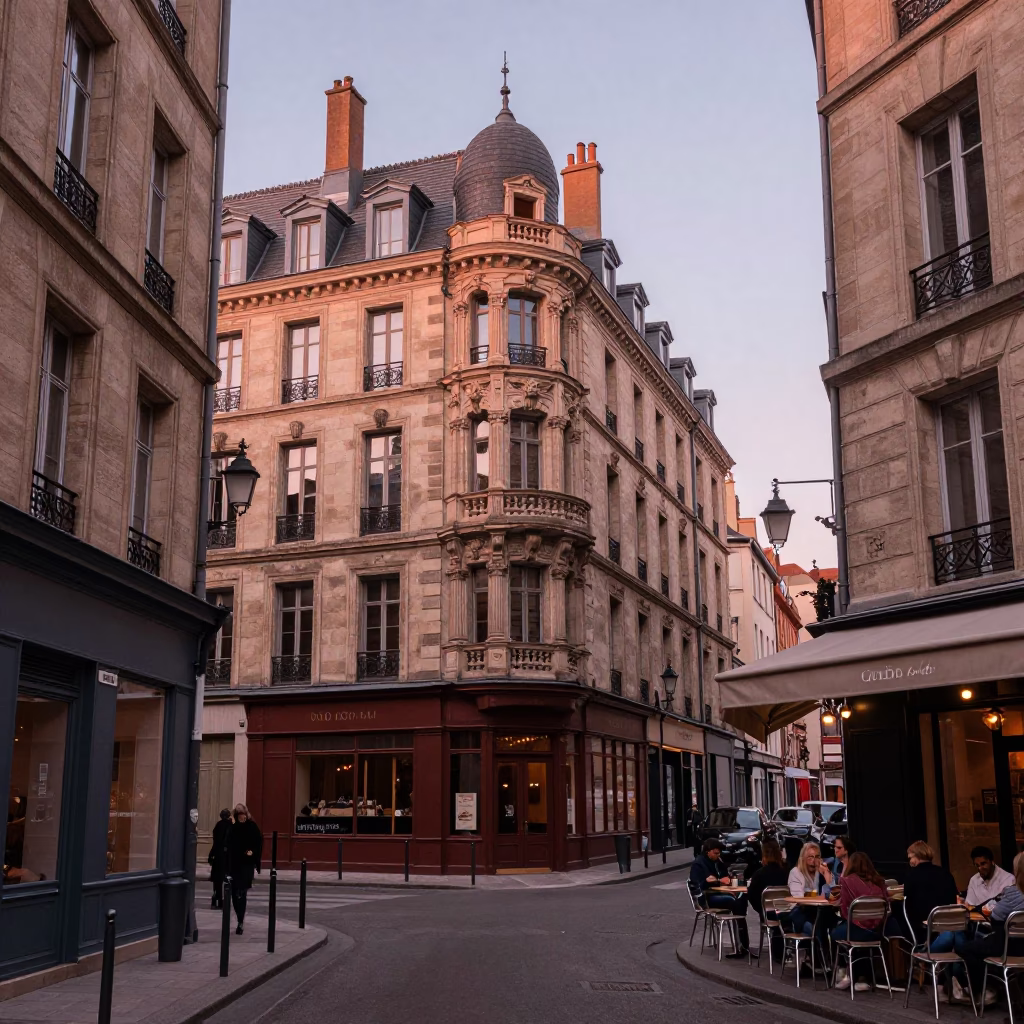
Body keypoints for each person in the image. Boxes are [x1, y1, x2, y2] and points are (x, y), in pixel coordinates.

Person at [956, 850, 1024, 1007]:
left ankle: (981, 991)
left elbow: (996, 917)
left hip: (1011, 947)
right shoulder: (976, 880)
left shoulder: (1013, 894)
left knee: (966, 948)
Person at [832, 851, 889, 992]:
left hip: (857, 930)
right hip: (877, 932)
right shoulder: (879, 881)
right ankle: (861, 977)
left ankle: (846, 972)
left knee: (835, 932)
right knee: (856, 933)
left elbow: (845, 912)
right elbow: (887, 905)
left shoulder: (846, 881)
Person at [690, 838, 750, 958]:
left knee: (741, 898)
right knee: (733, 902)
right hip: (707, 899)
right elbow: (696, 885)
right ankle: (741, 944)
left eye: (719, 853)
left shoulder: (717, 861)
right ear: (708, 851)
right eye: (716, 853)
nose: (718, 855)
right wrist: (712, 881)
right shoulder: (699, 864)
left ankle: (742, 943)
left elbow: (724, 875)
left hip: (717, 894)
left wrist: (726, 878)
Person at [903, 840, 958, 945]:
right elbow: (953, 900)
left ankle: (919, 953)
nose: (909, 861)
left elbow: (909, 906)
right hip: (948, 923)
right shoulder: (945, 873)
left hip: (924, 926)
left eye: (910, 858)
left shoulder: (911, 876)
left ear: (917, 857)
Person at [747, 839, 789, 961]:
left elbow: (752, 895)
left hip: (767, 914)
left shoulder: (759, 874)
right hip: (786, 912)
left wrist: (761, 909)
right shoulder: (787, 872)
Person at [225, 803, 262, 935]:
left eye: (243, 815)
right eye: (239, 815)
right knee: (235, 893)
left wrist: (252, 853)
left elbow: (258, 843)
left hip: (246, 865)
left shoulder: (252, 827)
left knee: (242, 891)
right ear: (236, 816)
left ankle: (240, 920)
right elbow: (227, 847)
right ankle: (239, 917)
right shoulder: (232, 829)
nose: (242, 818)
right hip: (235, 865)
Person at [786, 842, 832, 936]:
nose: (814, 861)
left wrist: (828, 878)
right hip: (802, 914)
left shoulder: (820, 872)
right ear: (803, 859)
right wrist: (817, 895)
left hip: (820, 913)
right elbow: (799, 897)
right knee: (818, 931)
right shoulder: (795, 873)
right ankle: (822, 950)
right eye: (810, 857)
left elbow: (834, 893)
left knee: (832, 928)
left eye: (817, 857)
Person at [965, 846, 1014, 910]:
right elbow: (970, 906)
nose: (980, 868)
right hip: (979, 919)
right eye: (977, 865)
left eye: (983, 864)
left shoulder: (1008, 880)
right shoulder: (974, 881)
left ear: (992, 862)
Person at [208, 808, 231, 909]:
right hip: (227, 856)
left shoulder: (218, 826)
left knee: (217, 880)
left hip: (218, 855)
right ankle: (225, 900)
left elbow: (216, 842)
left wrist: (211, 854)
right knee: (226, 879)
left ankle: (217, 899)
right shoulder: (231, 826)